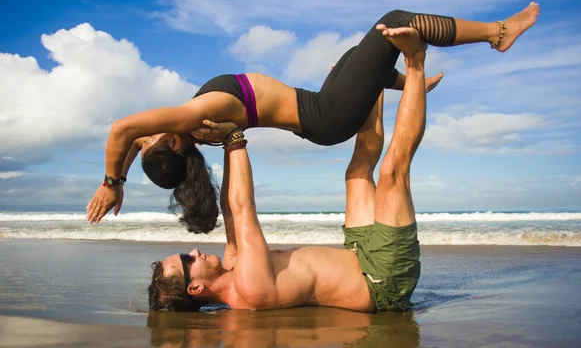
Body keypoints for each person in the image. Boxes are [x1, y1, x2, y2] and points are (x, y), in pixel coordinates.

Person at [87, 3, 540, 235]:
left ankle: (401, 80)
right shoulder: (196, 115)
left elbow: (130, 141)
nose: (144, 138)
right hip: (327, 117)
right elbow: (120, 131)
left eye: (143, 145)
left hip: (320, 109)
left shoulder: (186, 132)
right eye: (150, 144)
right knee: (393, 21)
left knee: (352, 56)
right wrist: (110, 183)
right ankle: (497, 34)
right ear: (172, 145)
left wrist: (122, 179)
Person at [147, 26, 433, 313]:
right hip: (383, 279)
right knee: (392, 173)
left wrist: (224, 142)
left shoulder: (234, 266)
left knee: (357, 172)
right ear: (195, 288)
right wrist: (234, 138)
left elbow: (232, 212)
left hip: (359, 253)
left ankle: (373, 81)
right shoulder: (249, 288)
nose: (195, 251)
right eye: (188, 260)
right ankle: (415, 60)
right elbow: (244, 206)